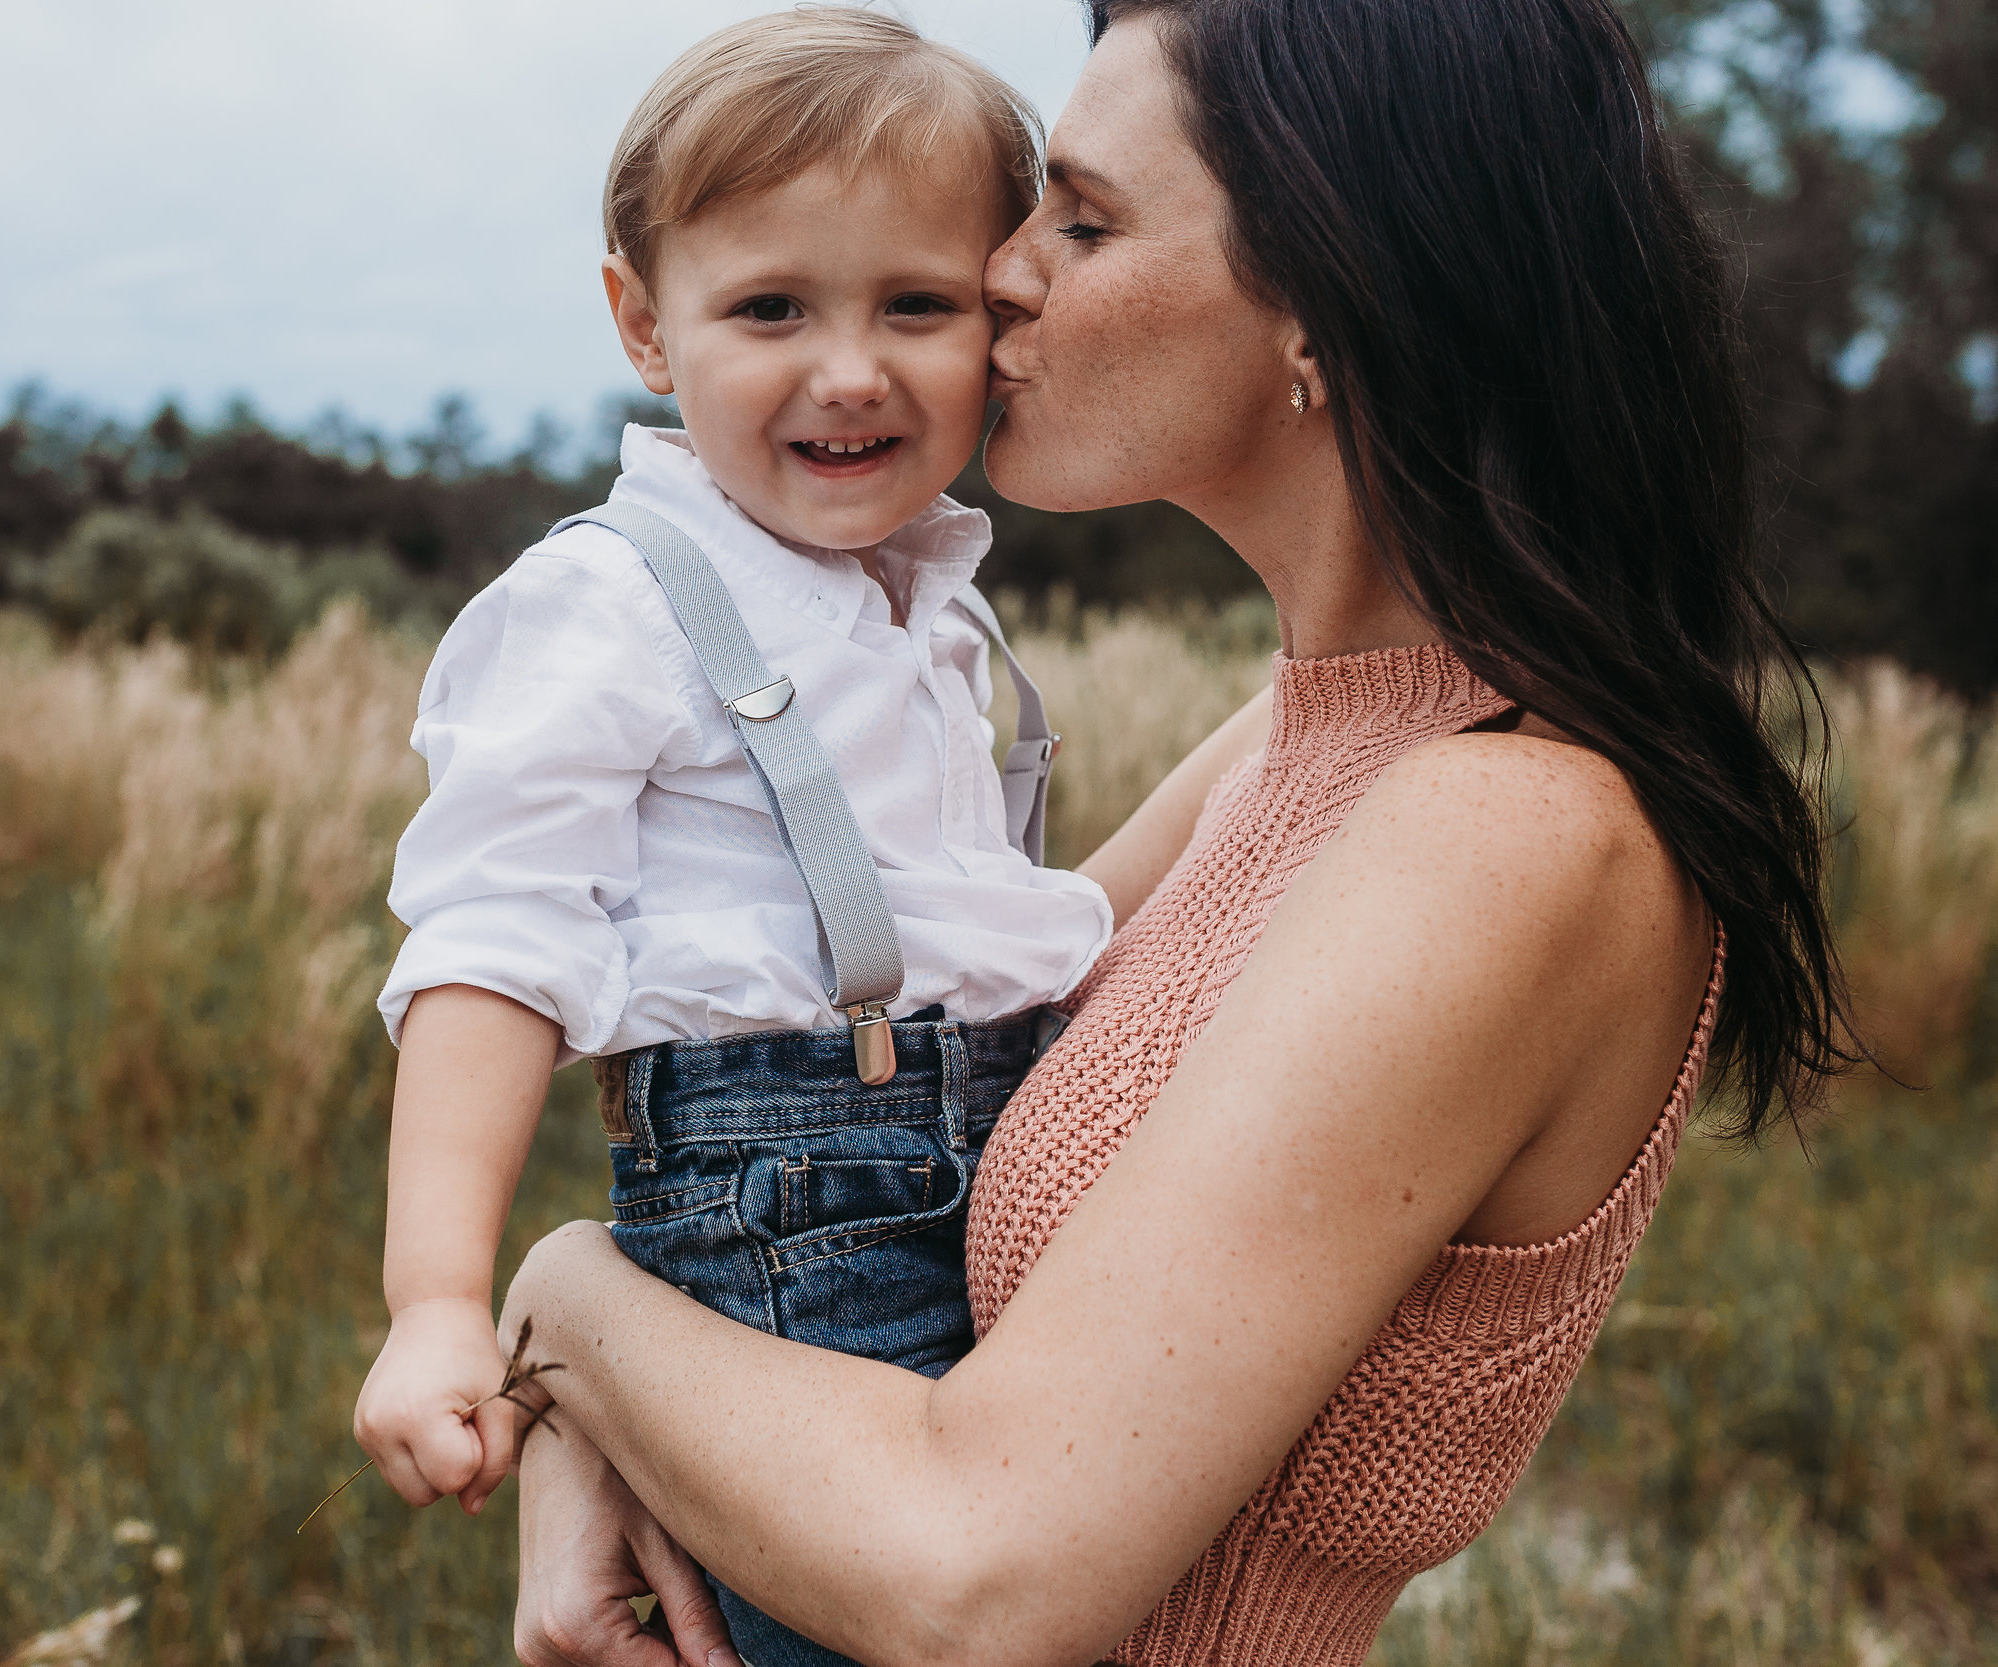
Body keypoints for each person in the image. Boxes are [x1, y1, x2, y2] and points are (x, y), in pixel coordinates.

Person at [497, 0, 1862, 1663]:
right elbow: (903, 1055)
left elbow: (975, 1571)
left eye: (1082, 218)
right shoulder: (1313, 731)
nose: (1002, 271)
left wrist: (565, 1305)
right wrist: (584, 1428)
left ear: (1330, 298)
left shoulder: (1514, 828)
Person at [352, 13, 1125, 1663]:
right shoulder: (609, 603)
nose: (850, 370)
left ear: (996, 314)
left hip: (979, 1182)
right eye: (771, 307)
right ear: (645, 321)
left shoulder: (918, 599)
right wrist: (435, 1304)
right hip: (795, 1240)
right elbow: (496, 944)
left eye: (916, 305)